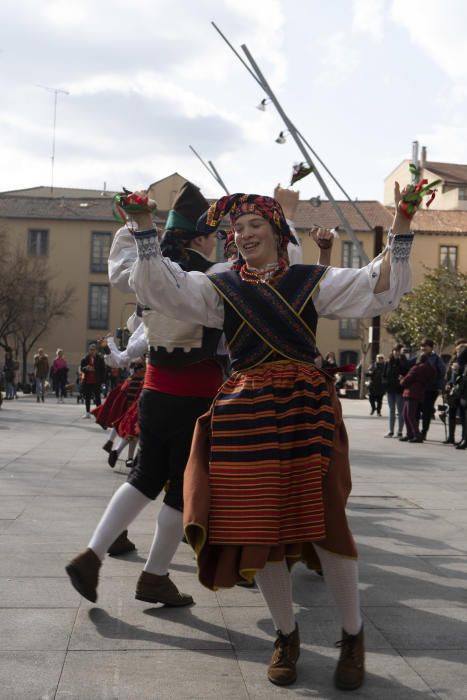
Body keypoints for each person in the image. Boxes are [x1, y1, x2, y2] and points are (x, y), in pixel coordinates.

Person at [118, 181, 414, 689]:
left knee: (328, 525)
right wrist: (144, 228)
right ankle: (286, 634)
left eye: (255, 224)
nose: (244, 233)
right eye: (237, 227)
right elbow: (162, 289)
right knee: (260, 531)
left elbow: (376, 283)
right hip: (246, 415)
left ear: (277, 231)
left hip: (306, 412)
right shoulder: (220, 286)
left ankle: (352, 634)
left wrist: (404, 222)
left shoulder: (309, 280)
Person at [66, 181, 229, 607]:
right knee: (180, 487)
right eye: (215, 233)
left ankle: (92, 554)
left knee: (143, 478)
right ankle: (155, 576)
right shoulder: (212, 277)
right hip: (196, 399)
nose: (220, 241)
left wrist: (134, 227)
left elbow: (120, 265)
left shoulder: (147, 272)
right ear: (201, 237)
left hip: (154, 394)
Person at [399, 354, 436, 442]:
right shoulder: (429, 368)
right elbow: (433, 376)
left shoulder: (416, 368)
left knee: (409, 415)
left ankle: (416, 435)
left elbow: (406, 381)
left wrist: (401, 379)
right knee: (406, 414)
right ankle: (410, 434)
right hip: (419, 391)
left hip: (411, 392)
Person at [418, 338, 445, 439]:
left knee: (426, 412)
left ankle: (423, 433)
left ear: (431, 347)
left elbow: (441, 373)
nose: (423, 348)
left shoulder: (437, 359)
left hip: (430, 389)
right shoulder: (419, 357)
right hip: (418, 389)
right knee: (416, 410)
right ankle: (414, 432)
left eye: (425, 346)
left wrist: (439, 387)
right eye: (422, 346)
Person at [382, 346, 409, 437]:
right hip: (390, 390)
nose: (396, 352)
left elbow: (407, 374)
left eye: (398, 351)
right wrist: (386, 384)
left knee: (400, 411)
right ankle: (391, 431)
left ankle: (400, 432)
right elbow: (384, 375)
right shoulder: (388, 363)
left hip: (399, 390)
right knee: (391, 410)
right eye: (395, 351)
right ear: (392, 351)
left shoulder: (403, 362)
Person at [80, 344, 106, 418]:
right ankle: (87, 412)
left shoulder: (100, 359)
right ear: (88, 350)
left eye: (93, 349)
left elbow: (103, 370)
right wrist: (86, 368)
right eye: (90, 349)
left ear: (96, 351)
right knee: (87, 397)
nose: (92, 351)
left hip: (96, 381)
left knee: (97, 398)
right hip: (87, 381)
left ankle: (99, 413)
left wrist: (102, 381)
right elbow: (82, 369)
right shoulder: (84, 359)